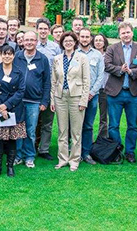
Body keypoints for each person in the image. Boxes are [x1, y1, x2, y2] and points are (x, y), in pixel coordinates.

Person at [104, 22, 137, 163]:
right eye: (123, 33)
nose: (126, 35)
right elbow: (107, 65)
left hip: (133, 92)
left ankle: (130, 152)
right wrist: (120, 70)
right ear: (119, 35)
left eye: (128, 32)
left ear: (132, 33)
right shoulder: (112, 48)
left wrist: (132, 72)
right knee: (113, 125)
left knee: (133, 125)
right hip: (115, 93)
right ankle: (116, 150)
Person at [51, 32, 90, 171]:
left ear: (75, 42)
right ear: (62, 43)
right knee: (62, 130)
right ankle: (62, 159)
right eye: (65, 41)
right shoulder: (57, 59)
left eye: (70, 41)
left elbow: (86, 80)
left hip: (76, 97)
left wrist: (83, 100)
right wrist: (52, 100)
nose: (68, 43)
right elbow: (54, 81)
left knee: (76, 131)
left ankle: (74, 160)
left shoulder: (82, 58)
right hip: (60, 97)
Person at [0, 45, 26, 178]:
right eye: (5, 54)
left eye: (10, 54)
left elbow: (20, 91)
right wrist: (0, 106)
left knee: (11, 140)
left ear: (13, 56)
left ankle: (10, 167)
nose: (7, 56)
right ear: (1, 55)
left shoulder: (19, 72)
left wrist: (7, 106)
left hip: (14, 109)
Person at [13, 31, 51, 168]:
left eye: (32, 40)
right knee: (18, 129)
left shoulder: (42, 59)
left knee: (30, 130)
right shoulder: (17, 57)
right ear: (22, 42)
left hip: (34, 101)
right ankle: (18, 156)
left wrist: (44, 101)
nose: (29, 42)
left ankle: (29, 156)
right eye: (26, 40)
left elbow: (47, 82)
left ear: (36, 42)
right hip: (18, 100)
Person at [76, 28, 105, 165]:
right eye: (82, 37)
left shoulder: (97, 55)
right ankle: (75, 152)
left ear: (91, 38)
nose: (85, 39)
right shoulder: (74, 53)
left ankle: (86, 153)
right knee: (75, 125)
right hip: (76, 95)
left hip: (92, 96)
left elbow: (101, 76)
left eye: (87, 37)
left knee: (88, 125)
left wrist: (92, 92)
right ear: (78, 38)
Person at [34, 17, 61, 160]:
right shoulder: (33, 45)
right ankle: (30, 147)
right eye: (41, 29)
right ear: (37, 30)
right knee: (32, 120)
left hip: (50, 87)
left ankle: (44, 149)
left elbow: (59, 68)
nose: (43, 31)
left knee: (47, 121)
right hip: (34, 87)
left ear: (49, 31)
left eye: (45, 29)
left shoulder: (55, 48)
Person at [93, 33, 110, 138]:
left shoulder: (108, 55)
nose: (98, 42)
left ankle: (102, 139)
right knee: (89, 116)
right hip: (92, 90)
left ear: (104, 43)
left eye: (100, 40)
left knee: (103, 116)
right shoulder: (90, 55)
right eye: (96, 40)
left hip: (104, 89)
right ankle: (87, 141)